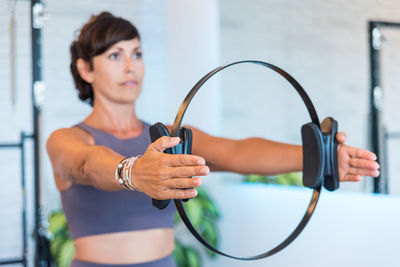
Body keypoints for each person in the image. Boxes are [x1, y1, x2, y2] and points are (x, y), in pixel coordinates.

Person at [46, 12, 380, 267]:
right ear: (86, 70)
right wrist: (132, 171)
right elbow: (86, 164)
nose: (130, 66)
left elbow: (236, 151)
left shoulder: (172, 139)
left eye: (137, 53)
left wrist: (317, 157)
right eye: (115, 56)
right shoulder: (67, 139)